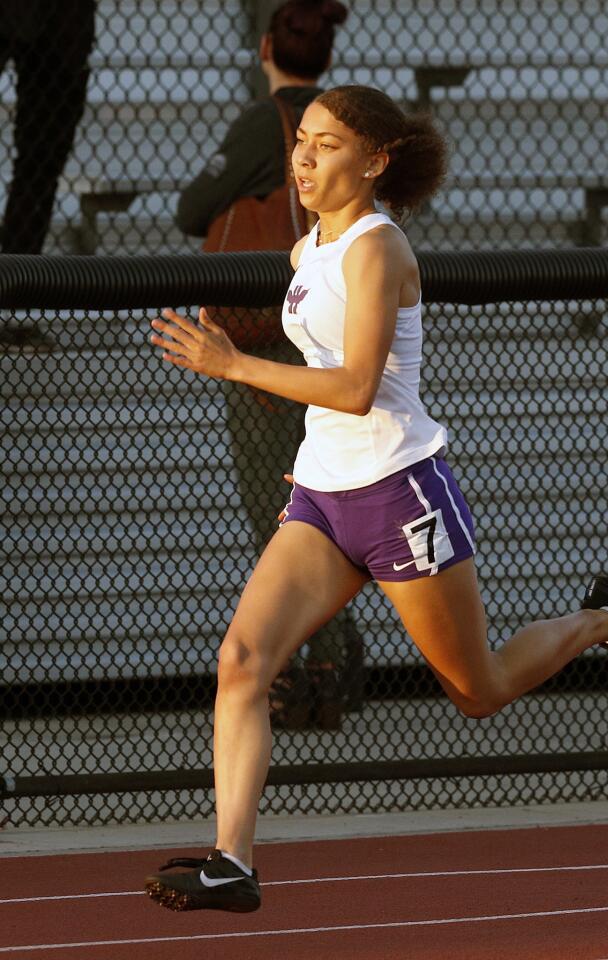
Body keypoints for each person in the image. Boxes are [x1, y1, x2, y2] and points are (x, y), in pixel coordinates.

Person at [144, 84, 608, 914]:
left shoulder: (376, 248)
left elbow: (358, 387)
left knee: (479, 691)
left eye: (326, 144)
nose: (304, 157)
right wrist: (313, 457)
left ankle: (604, 618)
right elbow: (331, 397)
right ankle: (232, 862)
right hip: (325, 496)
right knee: (242, 662)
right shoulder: (304, 250)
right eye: (302, 140)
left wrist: (233, 365)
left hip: (399, 494)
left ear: (374, 161)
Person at [177, 0, 360, 730]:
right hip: (332, 332)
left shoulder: (268, 124)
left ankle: (307, 668)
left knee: (275, 512)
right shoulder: (347, 124)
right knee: (322, 502)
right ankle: (328, 662)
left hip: (263, 338)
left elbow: (193, 210)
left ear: (263, 47)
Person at [0, 0, 96, 351]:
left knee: (41, 163)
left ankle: (14, 303)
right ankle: (14, 303)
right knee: (39, 166)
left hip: (60, 22)